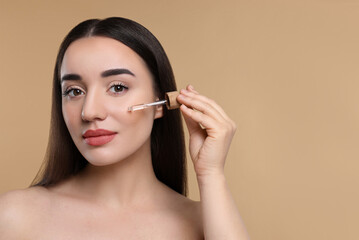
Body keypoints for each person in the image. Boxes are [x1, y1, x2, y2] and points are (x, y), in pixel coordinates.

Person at [0, 17, 249, 239]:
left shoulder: (205, 223)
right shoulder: (14, 217)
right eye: (74, 91)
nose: (90, 112)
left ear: (160, 103)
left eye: (117, 87)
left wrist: (211, 175)